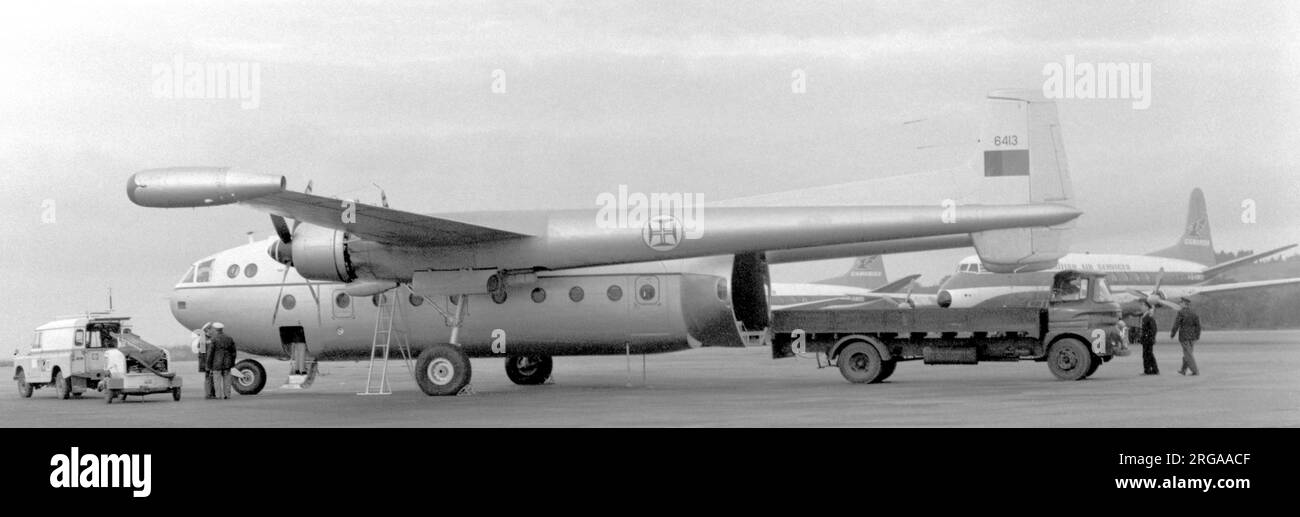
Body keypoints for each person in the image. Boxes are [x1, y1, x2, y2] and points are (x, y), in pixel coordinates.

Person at [1170, 297, 1201, 376]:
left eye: (1181, 302)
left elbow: (1176, 325)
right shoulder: (1194, 313)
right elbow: (1198, 326)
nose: (1179, 303)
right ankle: (1183, 370)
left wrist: (1172, 334)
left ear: (1184, 304)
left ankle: (1195, 371)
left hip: (1184, 337)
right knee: (1187, 354)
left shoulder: (1181, 313)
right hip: (1192, 337)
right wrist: (1197, 335)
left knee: (1188, 355)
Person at [206, 322, 237, 399]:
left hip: (216, 363)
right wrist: (232, 363)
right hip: (227, 363)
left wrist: (208, 365)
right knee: (227, 379)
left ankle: (218, 395)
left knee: (217, 380)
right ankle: (227, 395)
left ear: (215, 329)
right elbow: (233, 352)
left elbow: (210, 353)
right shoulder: (229, 338)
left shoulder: (213, 339)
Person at [190, 323, 216, 399]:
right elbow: (203, 354)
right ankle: (209, 394)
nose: (212, 331)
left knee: (211, 378)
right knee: (208, 378)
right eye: (211, 329)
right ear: (207, 330)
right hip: (207, 362)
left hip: (209, 362)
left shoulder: (208, 338)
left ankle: (211, 393)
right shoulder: (203, 339)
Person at [1139, 300, 1159, 375]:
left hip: (1148, 339)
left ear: (1147, 307)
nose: (1141, 307)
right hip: (1146, 339)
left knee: (1147, 354)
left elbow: (1154, 329)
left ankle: (1149, 370)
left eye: (1143, 305)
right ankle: (1154, 370)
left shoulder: (1149, 316)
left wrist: (1151, 337)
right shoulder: (1145, 316)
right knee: (1148, 354)